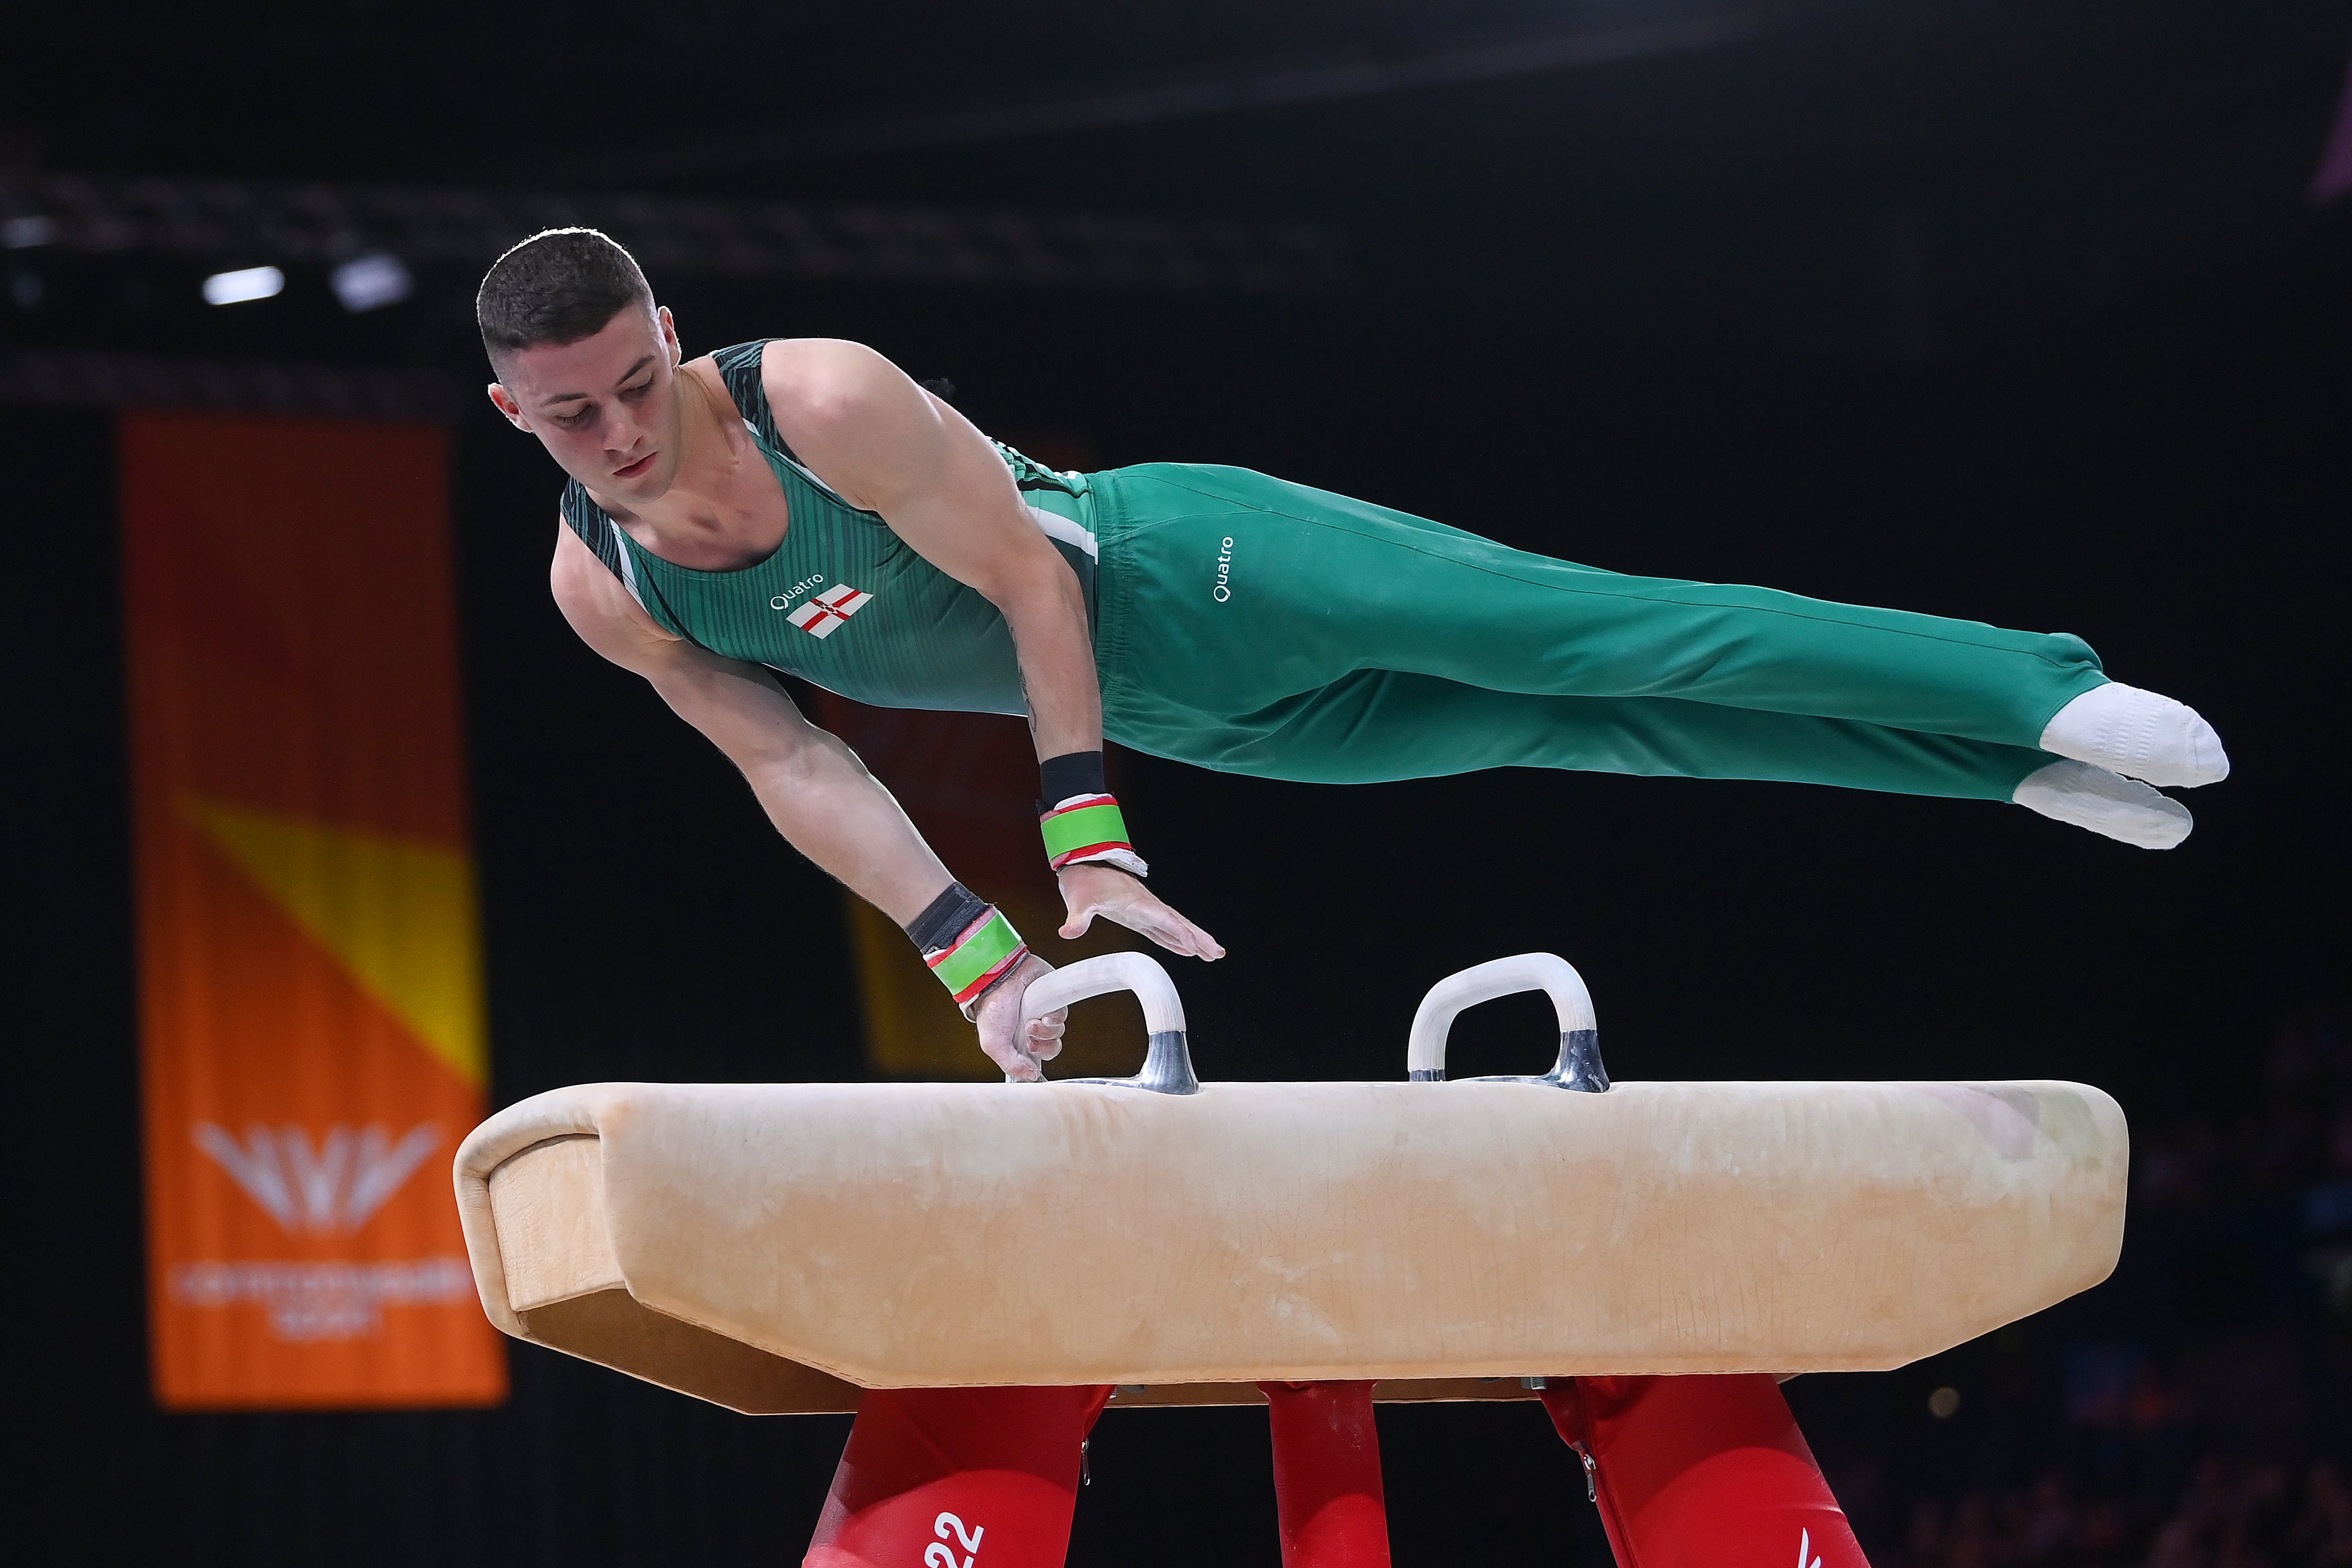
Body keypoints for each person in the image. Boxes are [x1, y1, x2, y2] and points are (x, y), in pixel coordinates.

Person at [480, 226, 2228, 1081]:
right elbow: (797, 761)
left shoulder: (820, 400)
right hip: (1202, 719)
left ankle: (2028, 680)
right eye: (576, 415)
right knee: (1603, 736)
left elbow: (1031, 587)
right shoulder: (603, 588)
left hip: (1207, 575)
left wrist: (1082, 834)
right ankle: (2002, 770)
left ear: (672, 337)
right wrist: (978, 960)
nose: (625, 431)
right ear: (515, 414)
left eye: (640, 380)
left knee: (1608, 636)